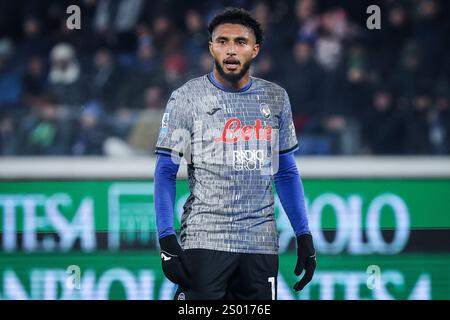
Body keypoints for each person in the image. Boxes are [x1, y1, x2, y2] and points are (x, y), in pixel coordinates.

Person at [154, 7, 316, 300]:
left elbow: (286, 171)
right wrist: (166, 237)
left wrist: (303, 234)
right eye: (223, 41)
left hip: (260, 247)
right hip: (205, 242)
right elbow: (166, 170)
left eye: (240, 42)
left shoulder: (275, 98)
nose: (231, 49)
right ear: (211, 47)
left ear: (255, 50)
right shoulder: (187, 98)